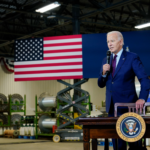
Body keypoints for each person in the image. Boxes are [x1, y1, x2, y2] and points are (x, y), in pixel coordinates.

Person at [98, 31, 150, 150]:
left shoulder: (132, 57)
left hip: (129, 107)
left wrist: (142, 98)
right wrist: (103, 73)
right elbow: (100, 84)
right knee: (117, 145)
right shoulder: (105, 60)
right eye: (107, 42)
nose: (109, 44)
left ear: (121, 42)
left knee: (134, 144)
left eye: (112, 41)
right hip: (112, 109)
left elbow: (144, 79)